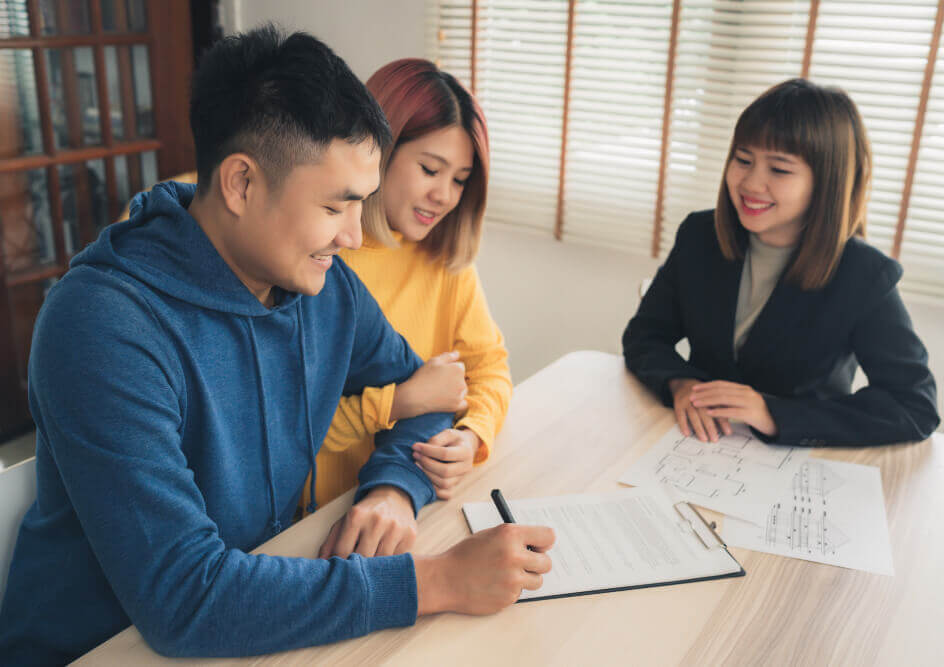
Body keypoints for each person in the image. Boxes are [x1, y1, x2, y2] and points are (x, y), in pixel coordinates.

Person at [0, 25, 553, 665]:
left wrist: (394, 487)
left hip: (248, 619)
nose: (354, 236)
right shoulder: (102, 326)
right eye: (337, 206)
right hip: (98, 648)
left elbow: (426, 395)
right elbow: (186, 600)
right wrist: (440, 580)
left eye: (363, 204)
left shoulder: (325, 290)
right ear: (241, 184)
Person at [623, 79, 939, 447]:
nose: (751, 183)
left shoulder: (863, 275)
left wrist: (772, 413)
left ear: (826, 183)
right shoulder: (699, 236)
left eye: (780, 170)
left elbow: (913, 406)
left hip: (801, 462)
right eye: (743, 160)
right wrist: (680, 382)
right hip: (695, 447)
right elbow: (645, 336)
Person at [308, 59, 511, 537]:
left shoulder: (446, 262)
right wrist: (399, 401)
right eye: (429, 169)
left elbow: (490, 368)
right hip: (318, 518)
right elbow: (293, 425)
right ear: (377, 149)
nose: (444, 195)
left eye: (460, 179)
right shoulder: (320, 256)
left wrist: (471, 434)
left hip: (408, 503)